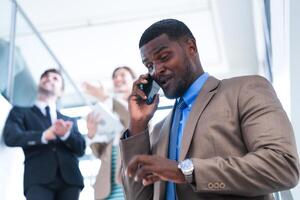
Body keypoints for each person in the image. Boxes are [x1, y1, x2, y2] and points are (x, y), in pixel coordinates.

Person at [119, 19, 300, 200]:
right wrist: (138, 124)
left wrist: (185, 171)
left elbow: (282, 167)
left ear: (192, 47)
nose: (156, 71)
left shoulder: (245, 90)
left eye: (164, 57)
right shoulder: (159, 130)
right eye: (149, 66)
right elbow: (137, 197)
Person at [3, 68, 86, 200]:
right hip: (37, 178)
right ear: (39, 84)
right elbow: (10, 137)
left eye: (55, 78)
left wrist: (66, 135)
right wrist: (43, 135)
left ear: (61, 92)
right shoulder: (20, 112)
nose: (49, 79)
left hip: (70, 179)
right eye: (45, 76)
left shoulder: (69, 120)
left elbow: (81, 149)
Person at [83, 66, 136, 200]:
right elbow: (99, 153)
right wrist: (92, 134)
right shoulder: (108, 111)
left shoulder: (142, 105)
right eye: (115, 76)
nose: (117, 79)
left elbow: (133, 122)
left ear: (133, 80)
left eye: (122, 75)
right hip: (106, 187)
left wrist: (105, 97)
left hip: (131, 182)